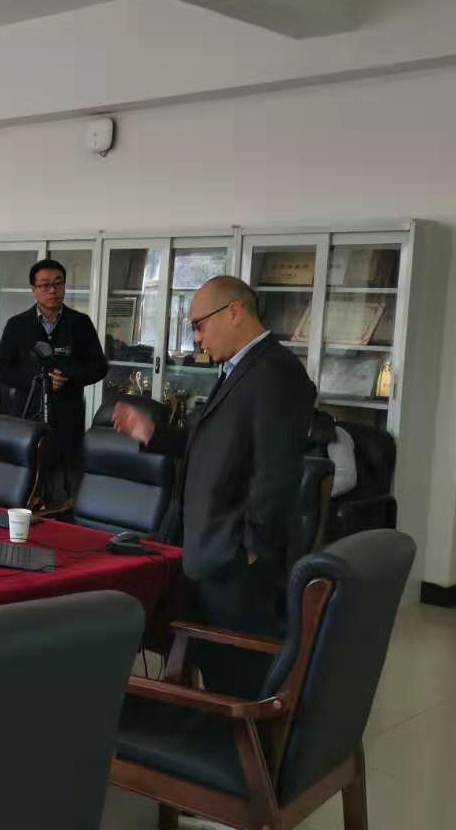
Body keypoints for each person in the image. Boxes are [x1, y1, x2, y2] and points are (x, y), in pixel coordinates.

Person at [112, 275, 316, 694]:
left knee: (241, 674)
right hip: (211, 549)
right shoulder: (238, 369)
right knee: (213, 664)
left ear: (234, 312)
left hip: (238, 561)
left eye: (200, 325)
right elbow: (211, 443)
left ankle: (243, 735)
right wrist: (152, 434)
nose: (197, 338)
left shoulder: (277, 372)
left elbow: (276, 470)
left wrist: (253, 549)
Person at [0, 258, 109, 502]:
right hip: (27, 412)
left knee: (64, 483)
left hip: (67, 414)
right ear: (33, 289)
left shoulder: (80, 323)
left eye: (58, 283)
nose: (53, 290)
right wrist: (38, 380)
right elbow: (1, 370)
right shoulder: (17, 325)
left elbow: (99, 367)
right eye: (45, 285)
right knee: (25, 481)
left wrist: (68, 376)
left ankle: (60, 514)